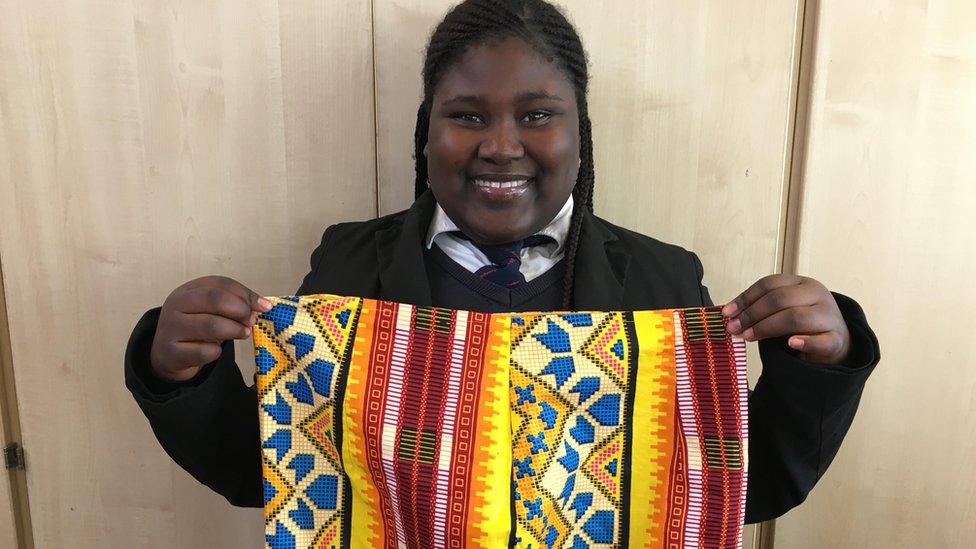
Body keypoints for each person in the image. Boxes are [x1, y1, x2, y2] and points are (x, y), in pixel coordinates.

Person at [125, 0, 879, 529]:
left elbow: (733, 490)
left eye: (538, 114)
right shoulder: (350, 267)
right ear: (427, 132)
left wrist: (818, 363)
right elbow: (282, 474)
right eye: (467, 115)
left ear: (581, 135)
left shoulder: (661, 283)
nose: (501, 144)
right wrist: (180, 374)